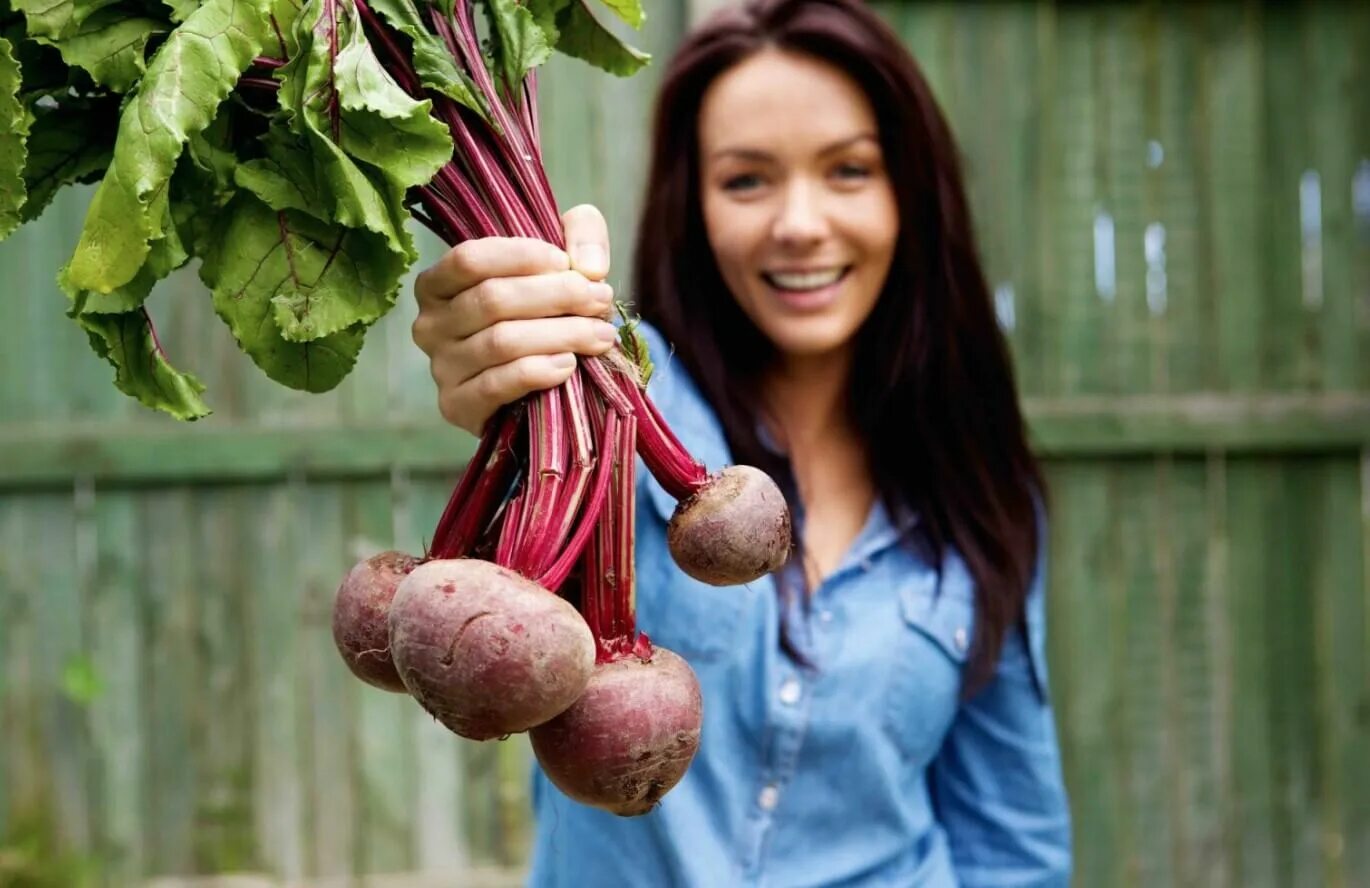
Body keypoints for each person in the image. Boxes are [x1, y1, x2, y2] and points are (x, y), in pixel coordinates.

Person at [410, 0, 1073, 884]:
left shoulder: (980, 495)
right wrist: (505, 365)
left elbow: (1011, 842)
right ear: (693, 209)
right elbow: (520, 422)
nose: (799, 223)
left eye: (848, 171)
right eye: (747, 180)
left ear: (912, 191)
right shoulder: (611, 407)